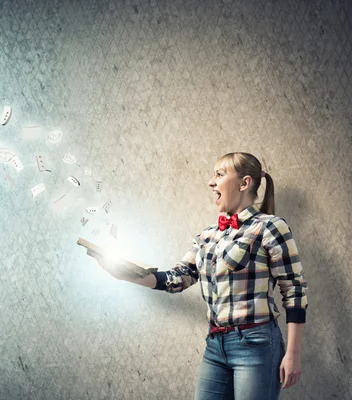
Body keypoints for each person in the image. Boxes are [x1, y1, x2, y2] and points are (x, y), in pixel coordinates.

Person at [90, 152, 308, 400]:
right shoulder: (208, 235)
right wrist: (124, 274)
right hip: (215, 345)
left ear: (244, 183)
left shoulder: (270, 227)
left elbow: (294, 290)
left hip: (256, 344)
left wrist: (293, 354)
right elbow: (178, 278)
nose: (211, 182)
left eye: (219, 174)